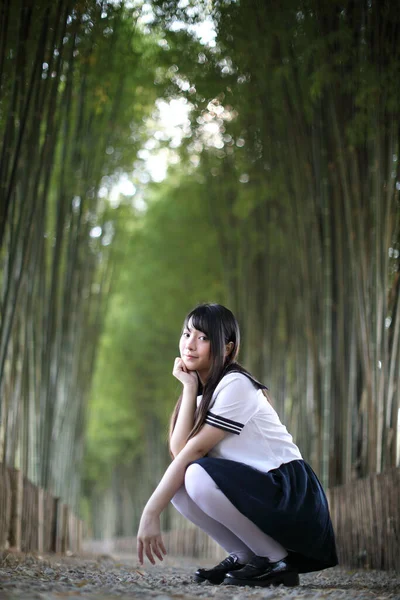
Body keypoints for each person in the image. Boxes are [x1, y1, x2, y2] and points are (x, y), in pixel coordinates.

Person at [137, 303, 338, 587]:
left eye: (203, 338)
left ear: (227, 348)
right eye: (186, 334)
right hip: (257, 489)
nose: (190, 344)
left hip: (288, 492)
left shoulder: (236, 384)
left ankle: (275, 560)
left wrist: (150, 511)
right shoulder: (202, 391)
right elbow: (179, 450)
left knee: (194, 473)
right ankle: (243, 555)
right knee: (181, 484)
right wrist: (188, 386)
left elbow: (192, 453)